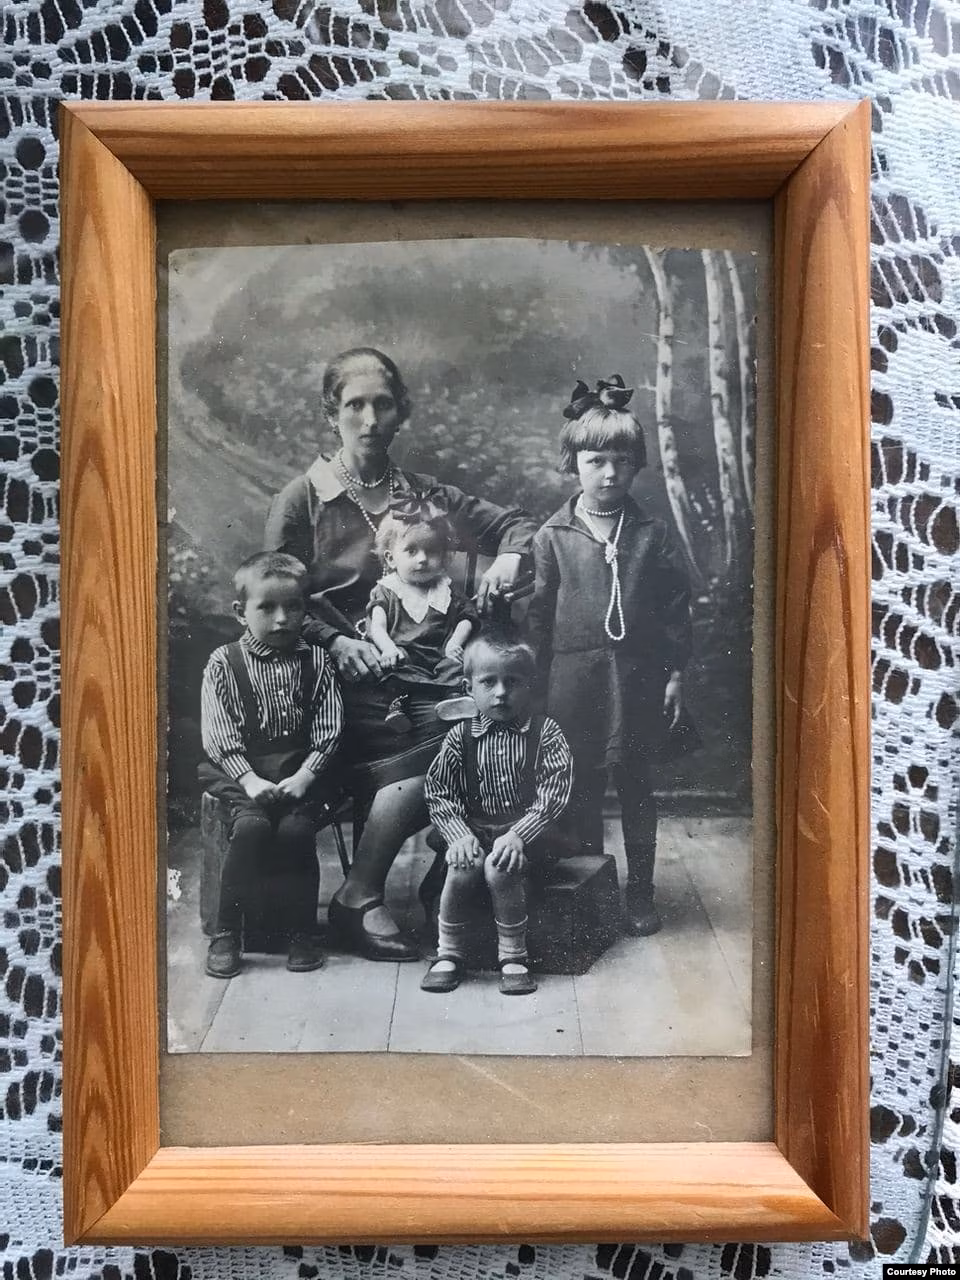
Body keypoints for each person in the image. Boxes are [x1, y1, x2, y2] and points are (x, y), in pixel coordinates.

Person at [265, 347, 536, 960]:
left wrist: (511, 556)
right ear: (331, 413)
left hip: (427, 677)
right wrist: (337, 639)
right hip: (340, 680)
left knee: (492, 722)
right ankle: (359, 894)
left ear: (400, 412)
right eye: (354, 405)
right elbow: (278, 596)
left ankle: (450, 874)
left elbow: (516, 524)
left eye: (383, 405)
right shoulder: (303, 497)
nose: (369, 420)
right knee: (462, 735)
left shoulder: (424, 495)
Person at [527, 376, 693, 937]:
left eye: (621, 462)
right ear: (572, 463)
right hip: (572, 682)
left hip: (638, 678)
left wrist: (674, 674)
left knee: (637, 783)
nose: (609, 473)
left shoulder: (650, 533)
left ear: (636, 465)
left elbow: (674, 608)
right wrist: (534, 690)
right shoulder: (553, 536)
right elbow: (537, 618)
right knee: (580, 788)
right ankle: (591, 891)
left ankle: (640, 891)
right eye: (595, 461)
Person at [198, 551, 343, 978]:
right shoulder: (224, 662)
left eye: (293, 607)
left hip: (300, 770)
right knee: (251, 828)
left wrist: (306, 775)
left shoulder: (316, 661)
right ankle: (227, 931)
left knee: (297, 831)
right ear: (239, 612)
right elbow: (218, 731)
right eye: (267, 607)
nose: (282, 619)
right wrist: (248, 779)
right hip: (241, 770)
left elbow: (329, 726)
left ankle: (301, 932)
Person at [420, 629, 574, 996]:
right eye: (489, 682)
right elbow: (439, 790)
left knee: (500, 867)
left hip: (527, 834)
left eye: (513, 682)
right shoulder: (460, 737)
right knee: (464, 865)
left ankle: (513, 955)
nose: (501, 692)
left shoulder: (545, 732)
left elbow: (555, 790)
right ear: (469, 687)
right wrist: (458, 835)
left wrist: (519, 834)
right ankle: (448, 952)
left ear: (530, 686)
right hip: (474, 830)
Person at [365, 501, 479, 733]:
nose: (422, 559)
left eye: (432, 551)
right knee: (394, 669)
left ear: (443, 556)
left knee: (457, 665)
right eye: (411, 550)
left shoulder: (445, 588)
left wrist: (455, 643)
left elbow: (467, 617)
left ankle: (454, 699)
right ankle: (399, 705)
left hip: (441, 654)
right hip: (405, 656)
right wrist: (388, 648)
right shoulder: (387, 590)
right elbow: (377, 626)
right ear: (390, 558)